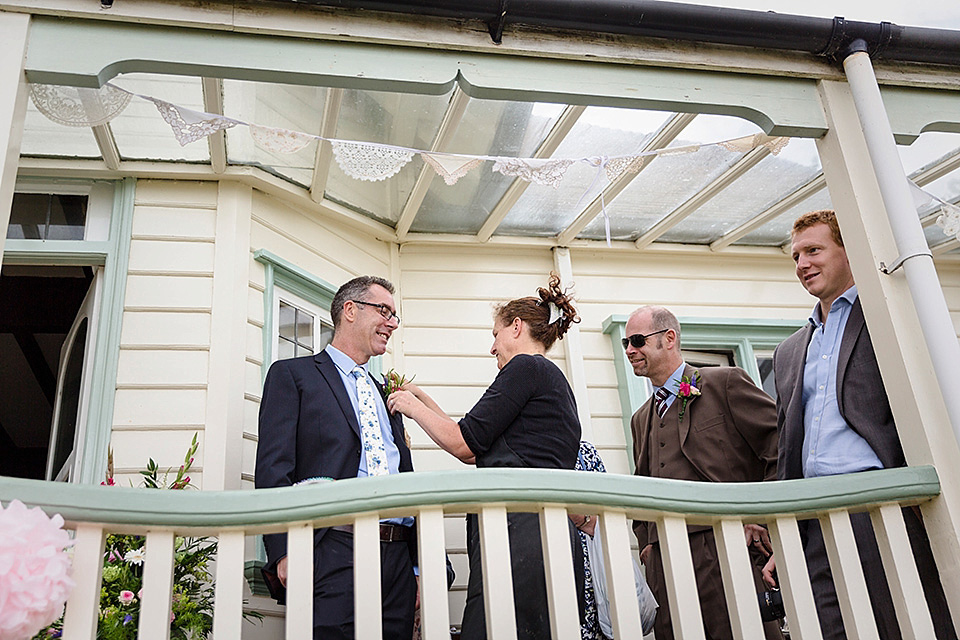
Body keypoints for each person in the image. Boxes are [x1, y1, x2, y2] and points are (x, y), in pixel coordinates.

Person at [769, 209, 956, 640]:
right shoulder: (789, 351)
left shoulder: (890, 320)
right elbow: (785, 447)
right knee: (828, 629)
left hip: (878, 508)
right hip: (813, 519)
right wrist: (785, 528)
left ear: (848, 250)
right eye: (796, 256)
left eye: (814, 250)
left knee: (902, 625)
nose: (802, 264)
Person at [388, 273, 585, 640]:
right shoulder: (548, 378)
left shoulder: (526, 368)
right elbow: (475, 446)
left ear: (516, 327)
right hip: (541, 532)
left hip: (519, 532)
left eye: (494, 334)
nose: (492, 347)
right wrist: (421, 397)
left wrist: (410, 407)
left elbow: (464, 443)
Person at [255, 275, 417, 640]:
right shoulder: (292, 376)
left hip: (397, 559)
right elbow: (273, 469)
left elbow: (404, 475)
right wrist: (283, 550)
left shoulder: (387, 396)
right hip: (332, 549)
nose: (392, 323)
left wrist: (417, 567)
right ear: (350, 311)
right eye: (384, 311)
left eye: (395, 316)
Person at [626, 305, 783, 640]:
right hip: (665, 560)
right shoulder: (640, 419)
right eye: (626, 342)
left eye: (637, 340)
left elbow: (778, 443)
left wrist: (761, 515)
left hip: (725, 545)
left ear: (669, 339)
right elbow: (641, 485)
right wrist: (647, 547)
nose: (629, 350)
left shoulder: (723, 382)